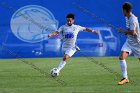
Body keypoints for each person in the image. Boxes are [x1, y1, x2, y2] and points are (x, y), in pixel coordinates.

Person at [118, 2, 140, 85]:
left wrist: (123, 31)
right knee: (121, 57)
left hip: (137, 44)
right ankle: (125, 78)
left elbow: (133, 33)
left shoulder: (133, 19)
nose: (122, 12)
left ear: (125, 10)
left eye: (122, 10)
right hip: (129, 42)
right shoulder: (127, 17)